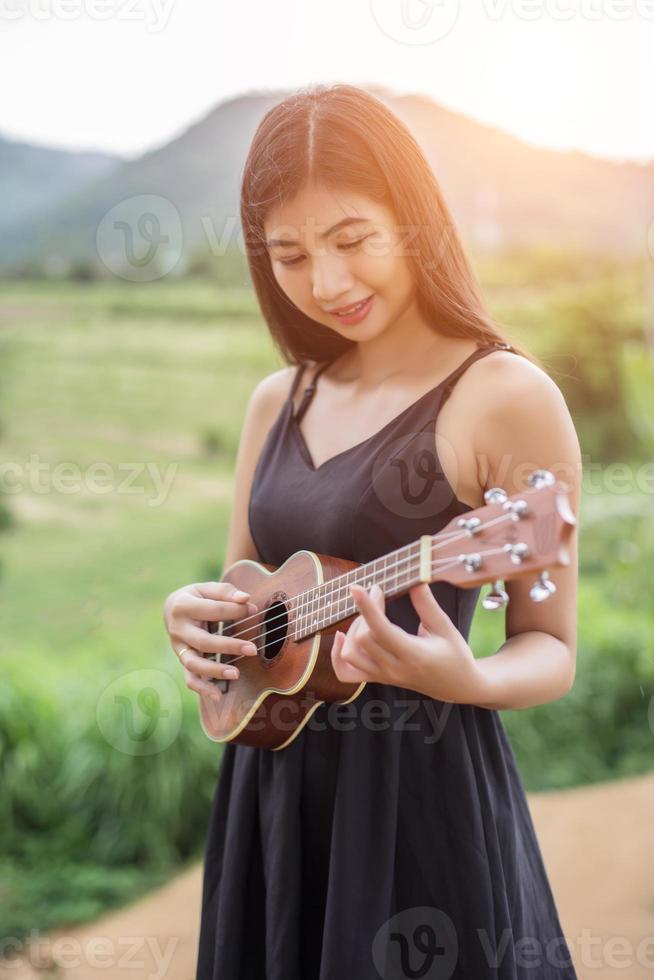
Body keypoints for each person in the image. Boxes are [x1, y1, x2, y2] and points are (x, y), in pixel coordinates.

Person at [162, 83, 582, 980]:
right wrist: (195, 620)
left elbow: (550, 647)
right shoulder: (279, 399)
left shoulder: (505, 397)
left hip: (418, 801)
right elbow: (244, 582)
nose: (328, 284)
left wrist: (467, 677)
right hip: (268, 793)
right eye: (289, 255)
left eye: (353, 241)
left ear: (417, 222)